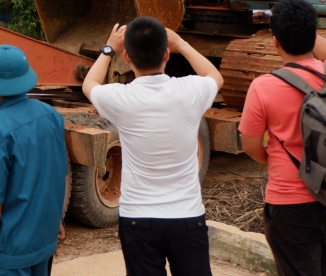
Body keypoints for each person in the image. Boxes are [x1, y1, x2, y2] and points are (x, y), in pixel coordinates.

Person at [82, 18, 223, 276]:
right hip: (187, 216)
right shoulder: (190, 91)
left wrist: (107, 49)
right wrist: (181, 43)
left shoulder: (120, 97)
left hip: (138, 217)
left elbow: (89, 84)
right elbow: (214, 75)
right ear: (167, 54)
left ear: (127, 57)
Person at [238, 0, 326, 276]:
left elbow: (251, 146)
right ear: (313, 35)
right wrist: (306, 28)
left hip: (291, 204)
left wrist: (276, 158)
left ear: (275, 42)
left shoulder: (263, 87)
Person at [0, 45, 68, 276]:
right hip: (42, 242)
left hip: (11, 252)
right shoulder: (51, 116)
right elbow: (56, 176)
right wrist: (56, 222)